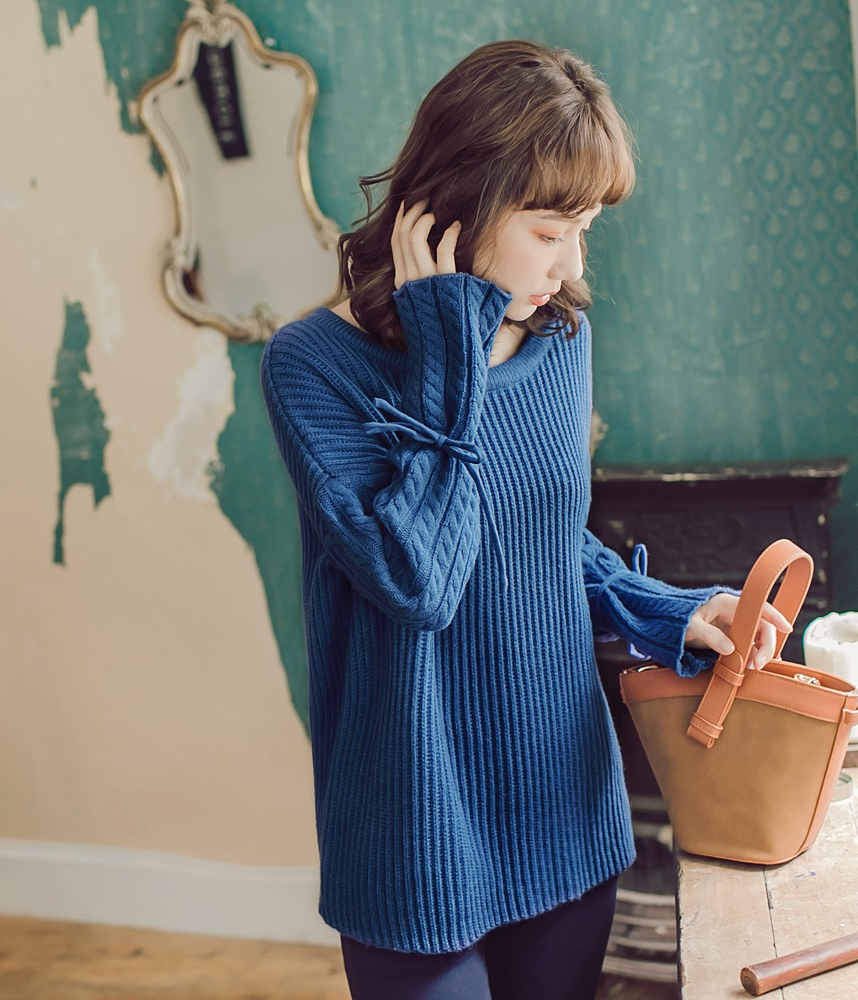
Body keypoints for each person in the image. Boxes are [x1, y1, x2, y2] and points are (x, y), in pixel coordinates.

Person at [260, 39, 790, 1000]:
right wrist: (448, 350)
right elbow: (416, 579)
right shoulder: (311, 367)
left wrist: (665, 611)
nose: (572, 263)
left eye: (583, 230)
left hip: (561, 796)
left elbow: (537, 538)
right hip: (414, 824)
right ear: (456, 206)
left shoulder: (560, 336)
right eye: (551, 230)